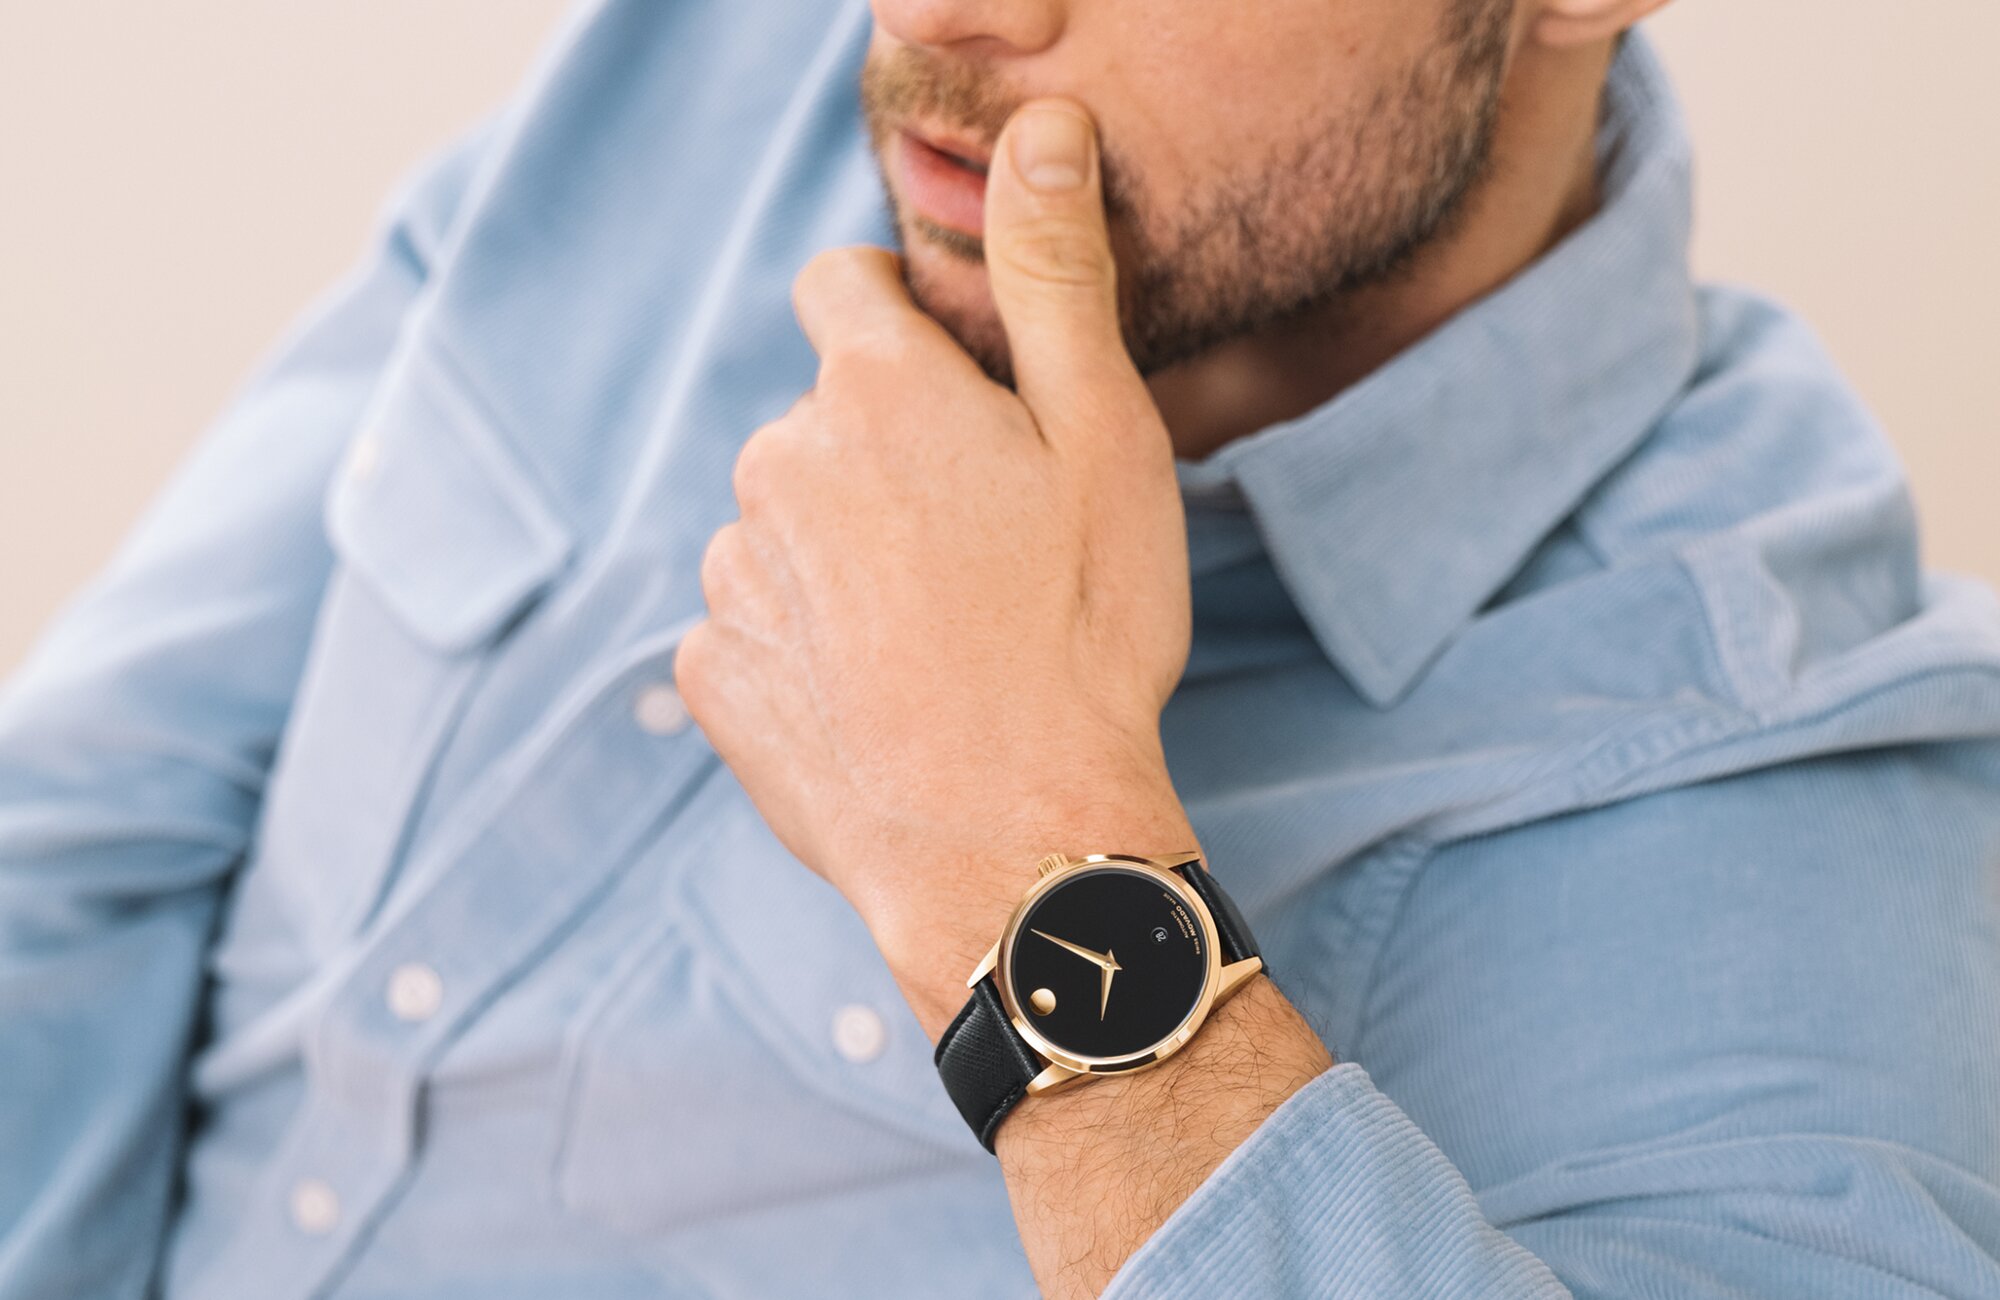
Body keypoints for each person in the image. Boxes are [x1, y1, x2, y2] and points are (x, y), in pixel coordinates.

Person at [3, 0, 1998, 1295]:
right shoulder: (737, 72)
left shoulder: (1797, 838)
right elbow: (84, 835)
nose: (942, 11)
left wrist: (1028, 865)